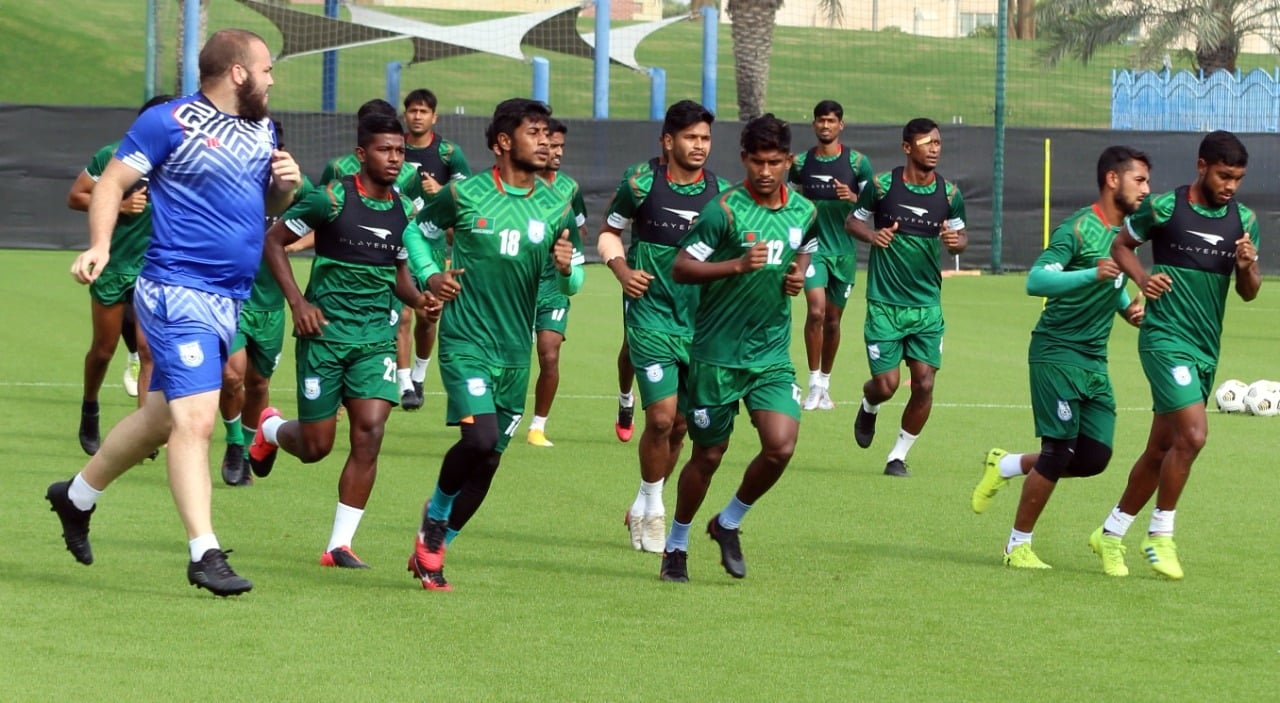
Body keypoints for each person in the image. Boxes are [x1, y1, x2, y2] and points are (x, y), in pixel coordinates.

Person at [46, 28, 302, 596]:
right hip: (175, 290)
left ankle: (76, 496)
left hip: (228, 299)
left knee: (162, 417)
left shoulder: (260, 131)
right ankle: (203, 553)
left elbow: (261, 207)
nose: (271, 78)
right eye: (265, 68)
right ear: (238, 72)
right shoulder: (170, 122)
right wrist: (101, 245)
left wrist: (285, 190)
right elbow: (111, 182)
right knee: (196, 422)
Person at [404, 98, 583, 591]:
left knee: (489, 461)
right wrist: (431, 275)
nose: (545, 141)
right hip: (467, 342)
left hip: (514, 352)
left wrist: (568, 269)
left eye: (548, 132)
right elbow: (415, 232)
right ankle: (435, 516)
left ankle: (433, 552)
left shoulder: (557, 204)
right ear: (504, 142)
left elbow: (569, 285)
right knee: (477, 438)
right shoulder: (465, 195)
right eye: (534, 132)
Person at [247, 112, 439, 567]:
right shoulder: (329, 199)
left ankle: (339, 545)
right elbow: (273, 242)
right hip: (325, 335)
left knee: (370, 432)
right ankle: (270, 429)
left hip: (375, 338)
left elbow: (398, 274)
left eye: (399, 152)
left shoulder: (403, 209)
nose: (394, 159)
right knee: (316, 447)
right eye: (384, 150)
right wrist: (298, 303)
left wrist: (421, 300)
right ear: (361, 155)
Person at [1088, 131, 1261, 580]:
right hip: (1165, 339)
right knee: (1196, 435)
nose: (1231, 186)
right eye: (1224, 176)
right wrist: (1144, 280)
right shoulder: (1165, 207)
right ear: (1201, 166)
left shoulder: (1244, 220)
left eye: (1238, 179)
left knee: (1162, 447)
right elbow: (1119, 246)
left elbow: (1248, 293)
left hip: (1205, 348)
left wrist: (1246, 267)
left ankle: (1110, 533)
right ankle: (1160, 533)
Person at [971, 146, 1150, 568]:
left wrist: (1128, 310)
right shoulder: (1079, 229)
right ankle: (1017, 546)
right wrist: (1092, 273)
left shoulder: (1126, 234)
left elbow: (1113, 281)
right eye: (1139, 180)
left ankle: (1007, 464)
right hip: (1056, 352)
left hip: (1093, 359)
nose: (1146, 189)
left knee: (1093, 458)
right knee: (1057, 451)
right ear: (1112, 179)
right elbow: (1036, 280)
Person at [658, 114, 816, 583]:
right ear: (744, 159)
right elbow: (682, 268)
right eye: (756, 162)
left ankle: (727, 522)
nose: (765, 172)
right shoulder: (722, 212)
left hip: (769, 354)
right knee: (708, 455)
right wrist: (737, 265)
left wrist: (797, 273)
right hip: (716, 356)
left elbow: (805, 245)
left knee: (781, 447)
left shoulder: (803, 210)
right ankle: (677, 544)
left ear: (789, 161)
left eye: (775, 162)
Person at [596, 100, 729, 552]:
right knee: (660, 418)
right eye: (690, 137)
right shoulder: (640, 184)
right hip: (651, 316)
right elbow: (609, 231)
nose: (699, 146)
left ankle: (641, 500)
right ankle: (654, 514)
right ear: (667, 141)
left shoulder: (723, 195)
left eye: (705, 138)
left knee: (680, 429)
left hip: (702, 325)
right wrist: (621, 269)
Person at [845, 118, 967, 477]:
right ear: (907, 147)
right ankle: (869, 404)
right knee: (887, 384)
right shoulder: (882, 186)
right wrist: (872, 236)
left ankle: (897, 455)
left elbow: (961, 238)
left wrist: (953, 242)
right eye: (927, 142)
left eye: (938, 143)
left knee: (925, 382)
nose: (934, 148)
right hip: (885, 303)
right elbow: (853, 221)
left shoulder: (949, 195)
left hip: (927, 306)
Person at [66, 95, 173, 455]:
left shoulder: (181, 162)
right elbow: (77, 196)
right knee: (103, 350)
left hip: (154, 269)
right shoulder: (114, 155)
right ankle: (90, 406)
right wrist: (122, 206)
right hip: (113, 265)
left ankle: (142, 430)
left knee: (148, 350)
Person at [218, 121, 314, 487]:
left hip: (272, 304)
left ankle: (247, 444)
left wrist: (291, 244)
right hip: (232, 298)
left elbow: (326, 216)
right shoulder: (229, 181)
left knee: (258, 384)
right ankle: (232, 443)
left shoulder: (297, 185)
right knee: (231, 375)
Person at [789, 100, 873, 411]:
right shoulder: (800, 163)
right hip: (814, 249)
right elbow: (790, 200)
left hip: (844, 252)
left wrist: (852, 197)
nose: (825, 126)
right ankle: (812, 383)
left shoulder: (857, 163)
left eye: (831, 121)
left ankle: (825, 382)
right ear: (814, 125)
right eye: (820, 120)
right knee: (816, 312)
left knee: (834, 321)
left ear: (841, 125)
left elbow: (870, 206)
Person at [398, 88, 472, 410]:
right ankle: (403, 386)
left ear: (434, 117)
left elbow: (467, 197)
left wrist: (439, 190)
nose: (417, 116)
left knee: (427, 318)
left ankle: (418, 373)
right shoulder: (393, 147)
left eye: (423, 111)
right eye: (412, 110)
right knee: (402, 315)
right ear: (405, 114)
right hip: (398, 243)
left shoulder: (448, 153)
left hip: (433, 247)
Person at [527, 118, 587, 447]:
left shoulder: (569, 189)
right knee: (510, 357)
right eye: (551, 145)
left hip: (552, 289)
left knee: (549, 354)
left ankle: (538, 426)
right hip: (516, 288)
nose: (556, 151)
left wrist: (564, 254)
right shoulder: (519, 188)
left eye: (561, 145)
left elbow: (578, 231)